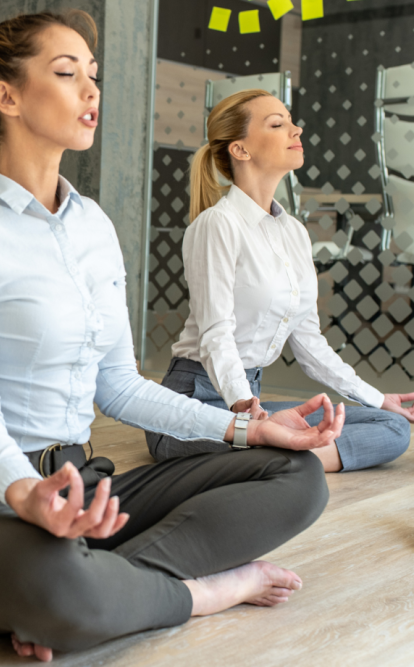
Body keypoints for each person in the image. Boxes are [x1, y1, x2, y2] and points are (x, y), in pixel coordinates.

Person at [0, 9, 345, 660]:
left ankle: (99, 594)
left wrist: (250, 427)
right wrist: (26, 494)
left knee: (299, 474)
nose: (91, 90)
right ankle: (204, 590)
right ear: (8, 96)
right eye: (66, 72)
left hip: (85, 488)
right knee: (52, 577)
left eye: (94, 75)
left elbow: (119, 386)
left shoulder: (94, 228)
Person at [145, 89, 411, 473]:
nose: (296, 129)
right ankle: (281, 458)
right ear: (241, 150)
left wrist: (375, 397)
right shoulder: (217, 225)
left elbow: (309, 342)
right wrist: (244, 409)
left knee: (390, 426)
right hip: (195, 403)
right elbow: (215, 333)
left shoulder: (295, 232)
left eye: (291, 121)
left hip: (250, 401)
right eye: (278, 124)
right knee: (326, 435)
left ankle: (278, 460)